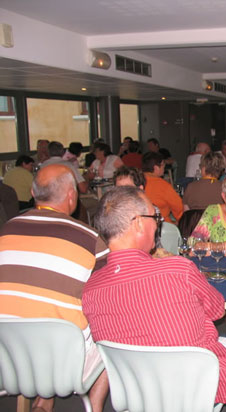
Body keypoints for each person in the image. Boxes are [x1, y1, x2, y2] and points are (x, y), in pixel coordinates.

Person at [82, 186, 226, 405]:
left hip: (134, 393)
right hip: (194, 390)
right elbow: (217, 309)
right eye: (155, 217)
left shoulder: (91, 288)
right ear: (138, 223)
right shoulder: (178, 269)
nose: (158, 224)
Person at [0, 164, 109, 412]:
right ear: (72, 196)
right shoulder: (89, 238)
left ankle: (43, 400)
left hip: (8, 359)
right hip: (65, 363)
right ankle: (94, 406)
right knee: (110, 323)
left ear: (32, 193)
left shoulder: (6, 231)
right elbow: (106, 297)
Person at [142, 151, 183, 222]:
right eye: (163, 165)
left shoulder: (136, 180)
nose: (164, 168)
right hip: (161, 224)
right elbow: (179, 209)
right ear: (156, 168)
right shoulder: (163, 185)